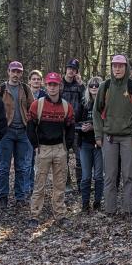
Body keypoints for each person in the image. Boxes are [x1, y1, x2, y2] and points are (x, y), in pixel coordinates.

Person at [94, 54, 132, 216]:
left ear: (126, 68)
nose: (117, 69)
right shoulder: (105, 86)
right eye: (114, 66)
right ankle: (110, 210)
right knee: (109, 176)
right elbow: (96, 113)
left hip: (128, 138)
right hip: (109, 137)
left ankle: (127, 210)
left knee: (128, 176)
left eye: (120, 66)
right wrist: (98, 135)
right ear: (111, 68)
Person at [27, 72, 76, 224]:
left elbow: (71, 128)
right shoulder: (37, 104)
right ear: (45, 85)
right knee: (39, 183)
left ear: (60, 86)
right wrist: (35, 145)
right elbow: (30, 127)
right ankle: (34, 215)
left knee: (59, 183)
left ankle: (60, 214)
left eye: (55, 84)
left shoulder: (66, 106)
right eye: (49, 84)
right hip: (43, 149)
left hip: (60, 149)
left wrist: (66, 146)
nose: (52, 87)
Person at [0, 61, 35, 207]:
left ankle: (19, 197)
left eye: (19, 72)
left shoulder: (25, 89)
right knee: (4, 166)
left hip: (23, 132)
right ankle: (3, 196)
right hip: (6, 132)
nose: (16, 74)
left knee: (22, 166)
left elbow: (33, 107)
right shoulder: (0, 89)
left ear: (21, 73)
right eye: (14, 71)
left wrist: (30, 123)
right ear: (8, 72)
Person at [75, 76, 105, 212]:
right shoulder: (83, 103)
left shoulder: (105, 104)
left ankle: (97, 202)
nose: (93, 88)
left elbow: (109, 124)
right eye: (91, 85)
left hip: (100, 144)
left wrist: (93, 127)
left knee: (99, 176)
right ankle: (85, 204)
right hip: (85, 144)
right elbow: (74, 123)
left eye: (96, 85)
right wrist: (82, 127)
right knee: (86, 176)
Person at [61, 59, 86, 190]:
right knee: (63, 157)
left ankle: (81, 183)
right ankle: (67, 183)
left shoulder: (80, 86)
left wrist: (82, 85)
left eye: (74, 69)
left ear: (77, 71)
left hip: (77, 126)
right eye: (69, 68)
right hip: (62, 127)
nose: (71, 71)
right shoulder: (60, 84)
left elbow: (87, 101)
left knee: (80, 157)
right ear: (66, 69)